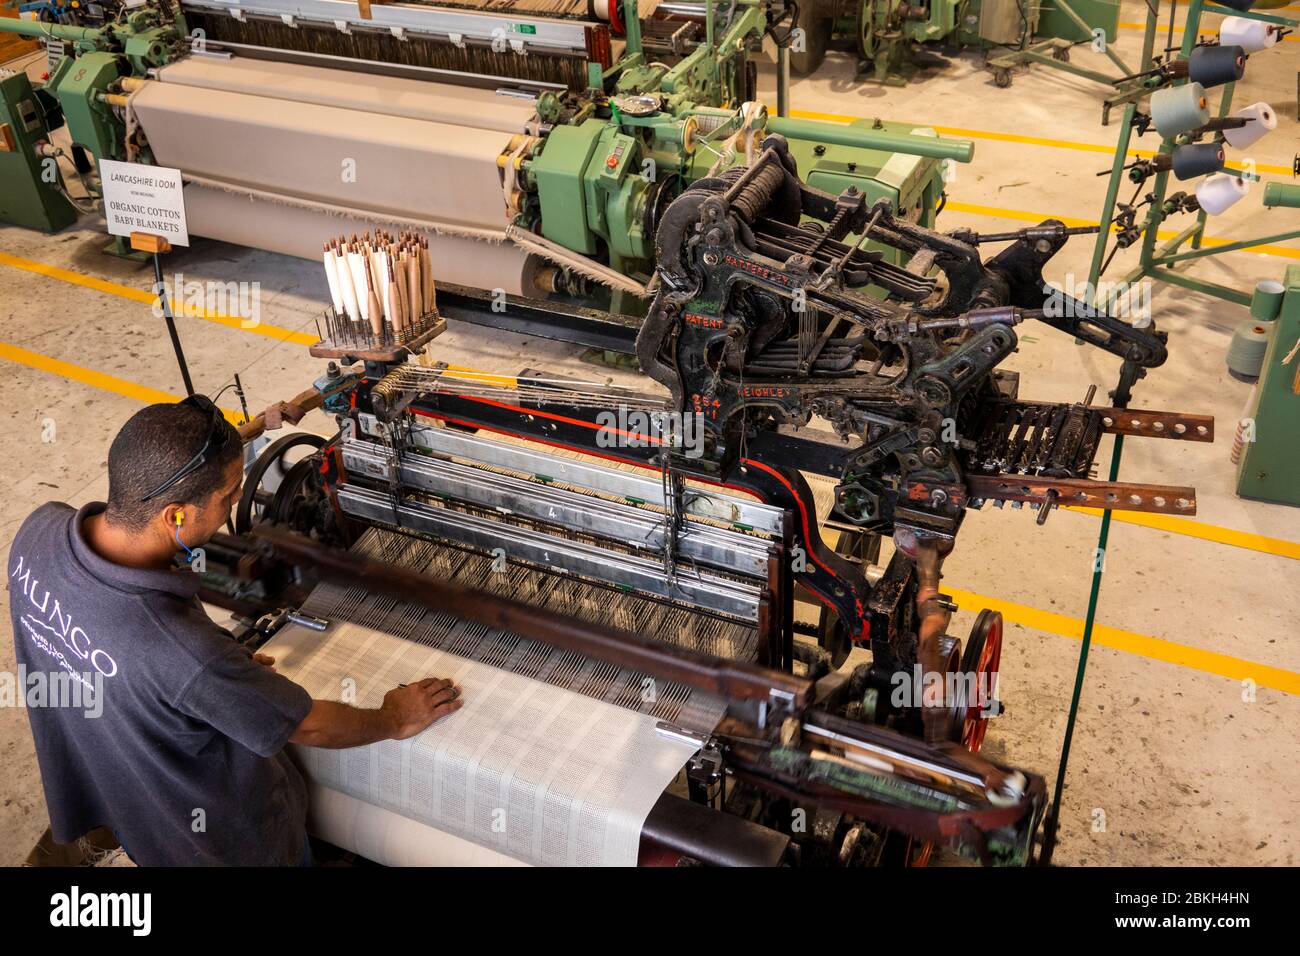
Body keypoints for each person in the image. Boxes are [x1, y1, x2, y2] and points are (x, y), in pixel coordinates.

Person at [9, 396, 463, 865]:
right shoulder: (182, 653)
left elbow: (127, 659)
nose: (233, 505)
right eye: (227, 497)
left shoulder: (37, 534)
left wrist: (218, 672)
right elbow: (307, 725)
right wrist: (393, 717)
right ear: (175, 516)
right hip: (219, 846)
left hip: (123, 792)